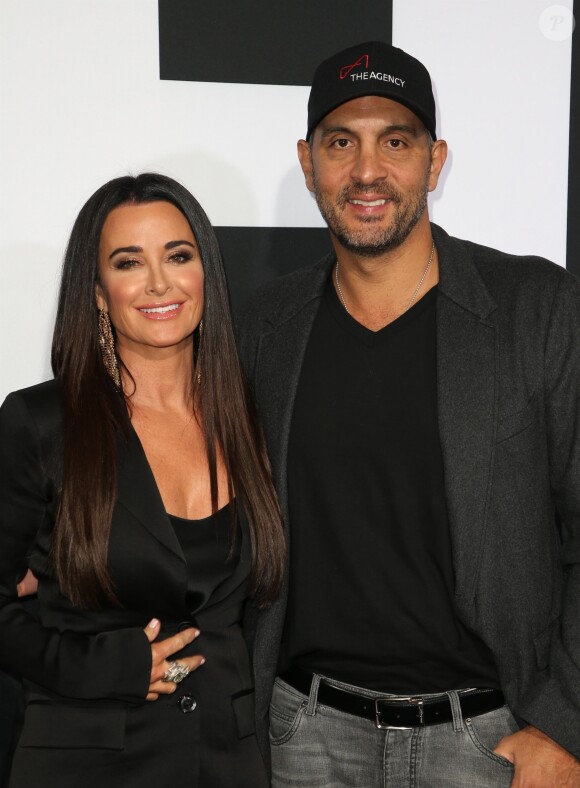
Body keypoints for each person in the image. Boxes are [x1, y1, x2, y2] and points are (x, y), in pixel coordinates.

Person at [238, 41, 580, 787]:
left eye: (395, 141)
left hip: (490, 742)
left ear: (435, 160)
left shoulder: (535, 309)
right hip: (303, 740)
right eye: (341, 143)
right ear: (308, 162)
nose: (367, 171)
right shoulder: (264, 327)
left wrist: (564, 723)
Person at [0, 173, 285, 788]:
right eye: (129, 262)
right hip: (86, 762)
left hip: (228, 762)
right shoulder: (43, 424)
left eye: (178, 256)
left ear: (206, 272)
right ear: (99, 292)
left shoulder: (253, 422)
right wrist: (102, 667)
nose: (159, 282)